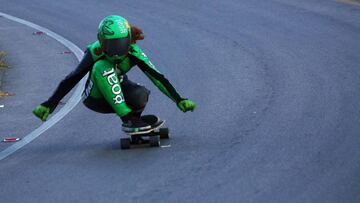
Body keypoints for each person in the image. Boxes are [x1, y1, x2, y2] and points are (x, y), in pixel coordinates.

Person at [32, 15, 196, 133]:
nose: (116, 50)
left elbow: (157, 77)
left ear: (129, 39)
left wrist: (179, 99)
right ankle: (127, 118)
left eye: (121, 44)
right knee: (102, 66)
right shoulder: (94, 51)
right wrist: (49, 104)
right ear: (101, 41)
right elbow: (73, 78)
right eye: (110, 44)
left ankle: (134, 119)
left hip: (119, 90)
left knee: (141, 94)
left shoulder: (133, 51)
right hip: (95, 98)